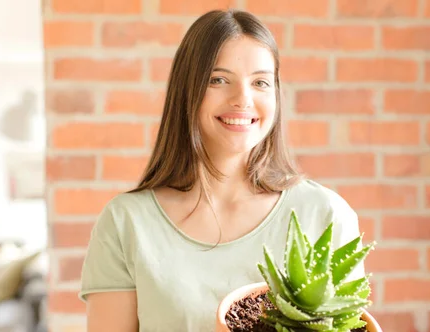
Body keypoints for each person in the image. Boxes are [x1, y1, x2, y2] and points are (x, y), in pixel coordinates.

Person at [78, 8, 365, 332]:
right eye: (219, 80)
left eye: (260, 82)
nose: (243, 99)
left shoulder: (324, 214)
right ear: (188, 89)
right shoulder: (125, 223)